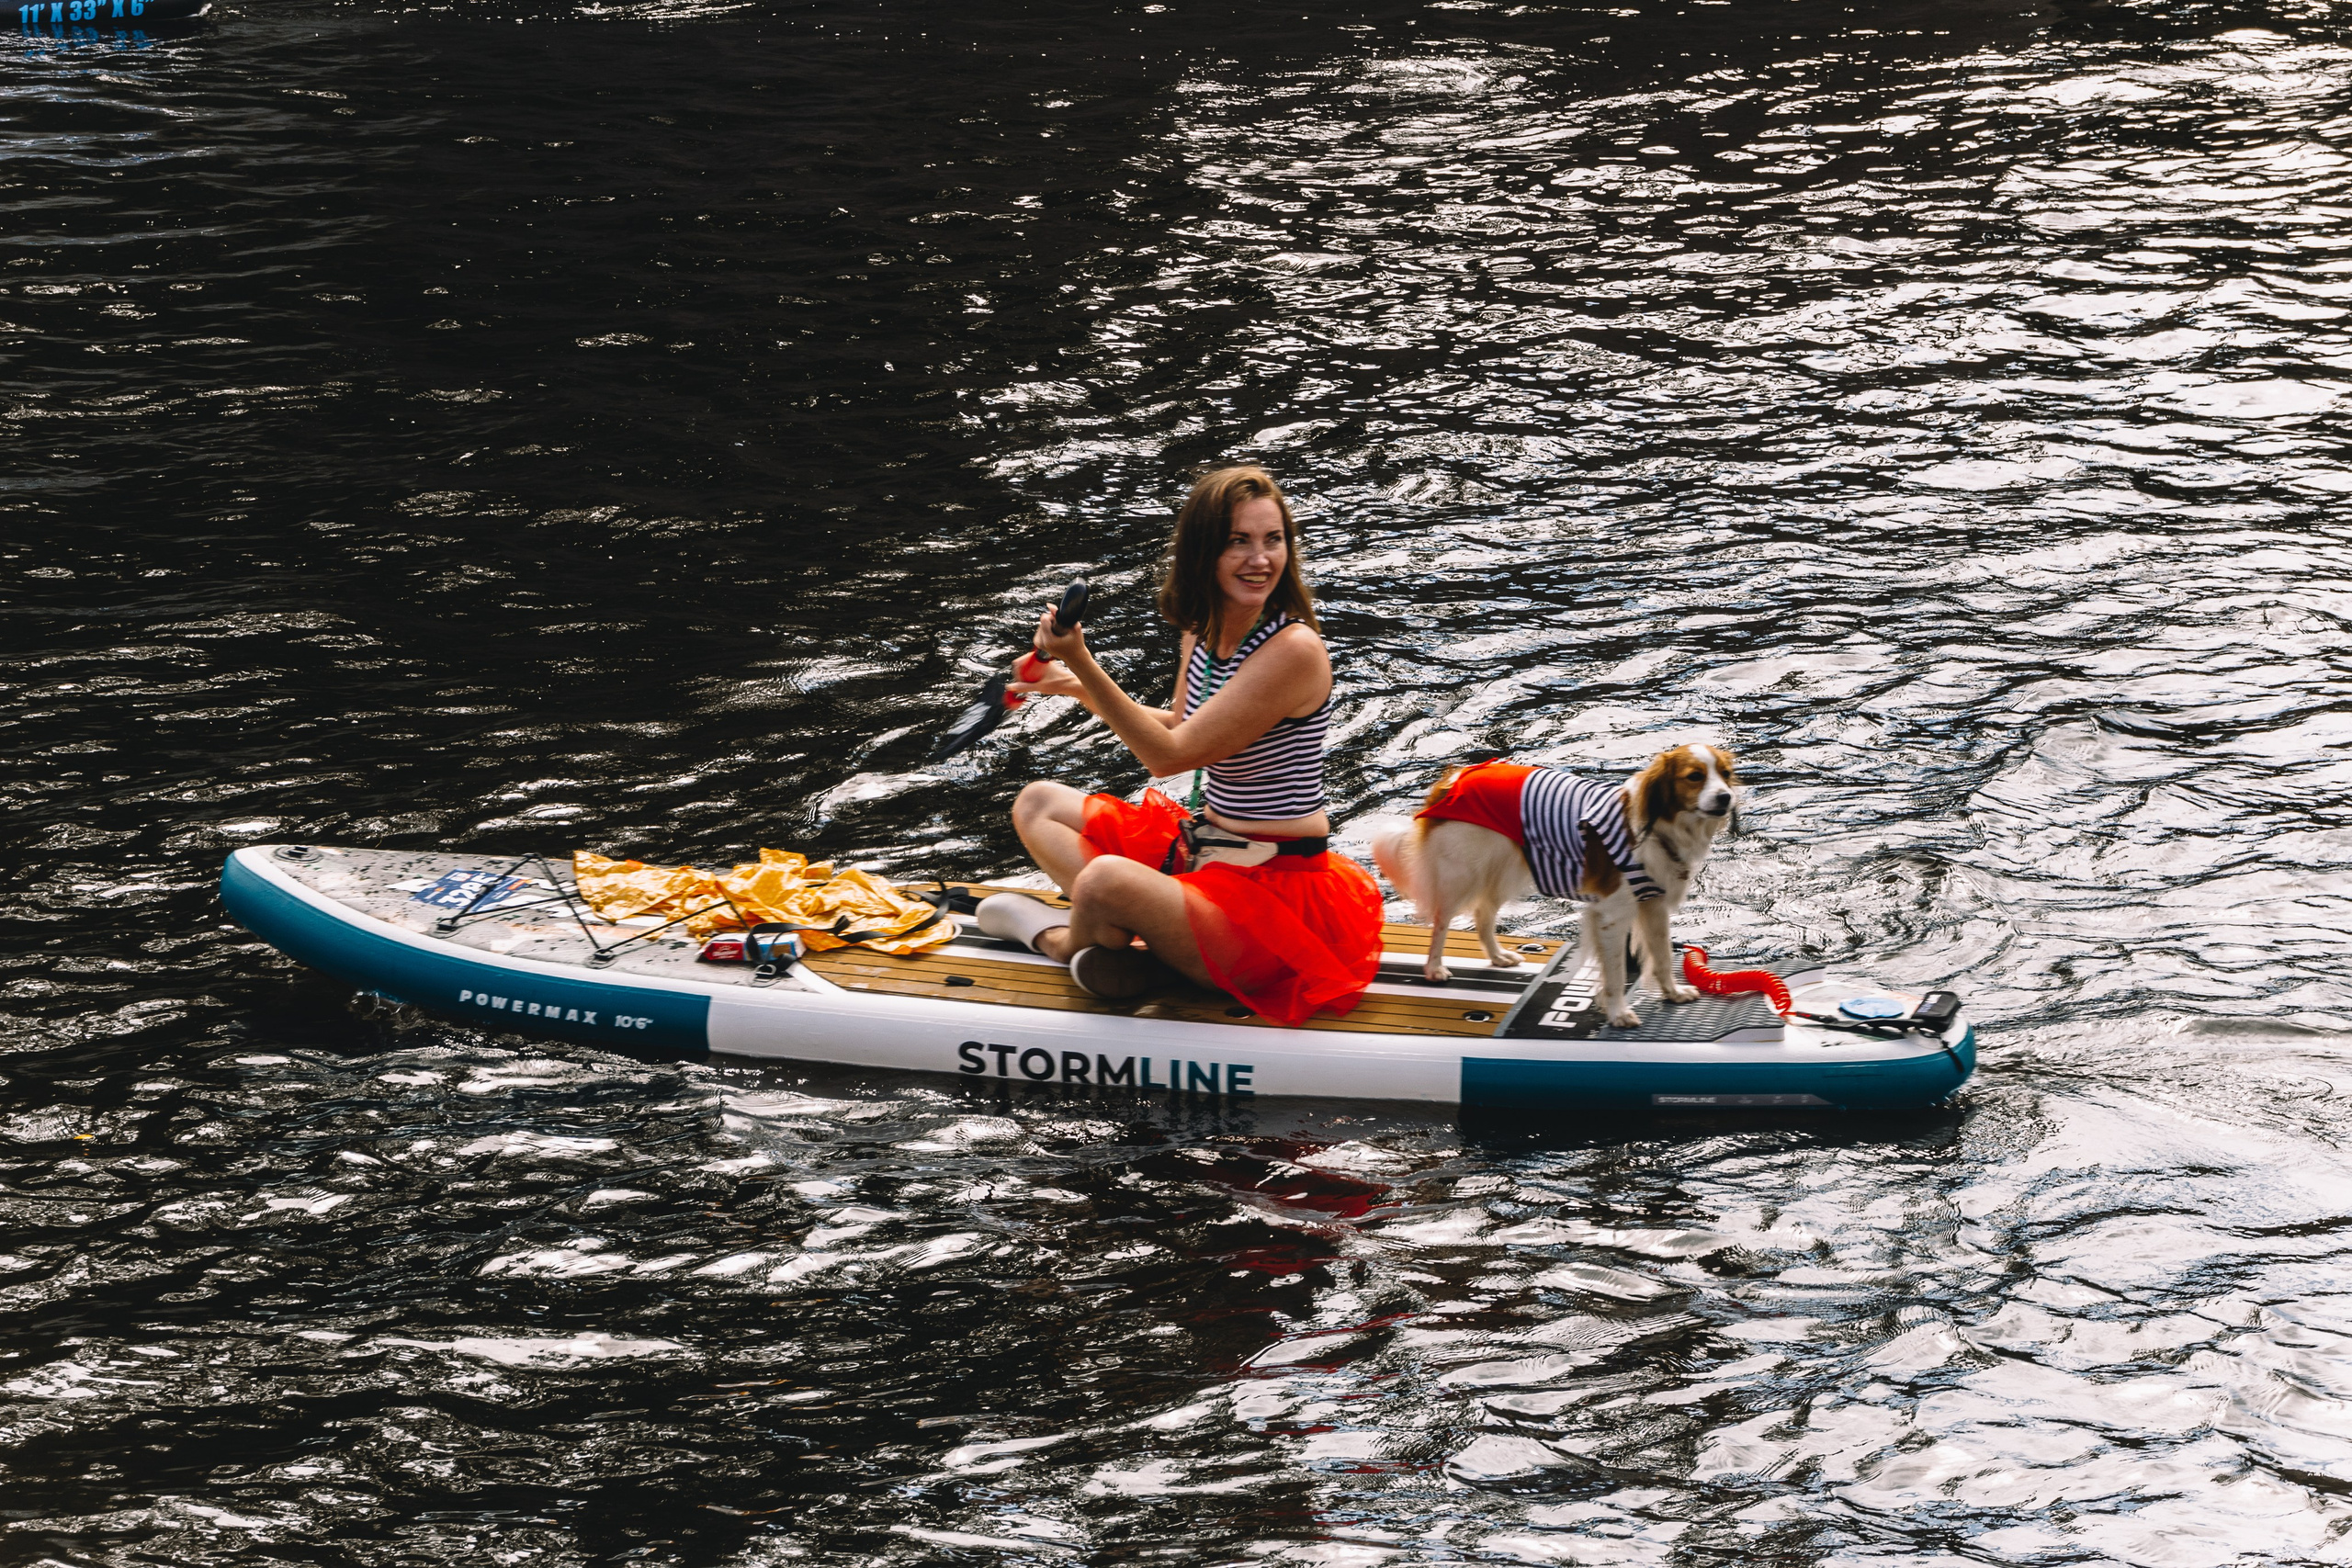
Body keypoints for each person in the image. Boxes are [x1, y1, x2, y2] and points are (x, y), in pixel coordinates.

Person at [974, 466, 1384, 1026]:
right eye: (1238, 541)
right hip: (1206, 857)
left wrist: (1083, 663)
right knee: (1037, 803)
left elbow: (1169, 757)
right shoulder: (1204, 627)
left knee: (1103, 879)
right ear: (1204, 552)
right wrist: (1071, 685)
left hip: (1278, 898)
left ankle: (1062, 942)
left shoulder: (1295, 650)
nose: (1260, 559)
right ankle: (1148, 943)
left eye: (1273, 540)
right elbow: (1181, 724)